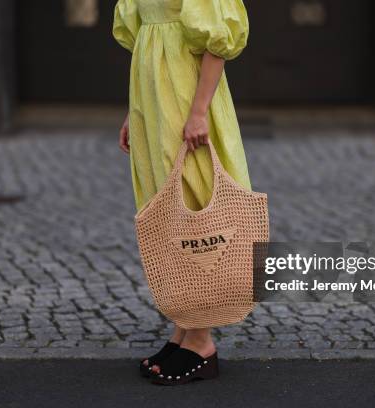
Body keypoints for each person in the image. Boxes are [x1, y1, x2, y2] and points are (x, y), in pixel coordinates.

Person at [113, 0, 252, 385]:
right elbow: (146, 35)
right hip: (154, 101)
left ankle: (202, 341)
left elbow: (217, 40)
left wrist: (199, 112)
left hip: (186, 97)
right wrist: (134, 110)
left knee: (194, 201)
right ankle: (185, 328)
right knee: (168, 210)